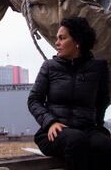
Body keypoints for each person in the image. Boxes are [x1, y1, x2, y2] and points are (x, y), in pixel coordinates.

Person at [28, 17, 111, 170]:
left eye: (62, 38)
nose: (57, 43)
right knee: (76, 140)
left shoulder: (99, 68)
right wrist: (50, 122)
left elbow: (103, 100)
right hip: (54, 132)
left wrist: (96, 124)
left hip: (87, 129)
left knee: (104, 144)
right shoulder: (49, 67)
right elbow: (34, 100)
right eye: (57, 38)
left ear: (77, 41)